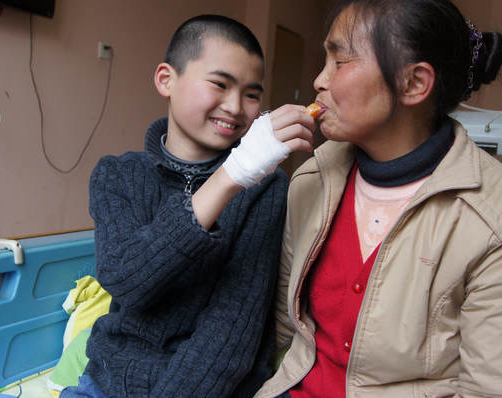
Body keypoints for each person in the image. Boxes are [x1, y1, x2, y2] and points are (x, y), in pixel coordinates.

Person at [255, 0, 502, 397]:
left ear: (414, 84)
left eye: (340, 61)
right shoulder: (311, 179)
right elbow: (280, 329)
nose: (319, 80)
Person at [60, 14, 315, 398]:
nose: (235, 106)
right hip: (108, 382)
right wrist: (232, 175)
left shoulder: (267, 188)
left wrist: (242, 176)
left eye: (251, 93)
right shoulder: (118, 175)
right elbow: (128, 283)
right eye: (219, 84)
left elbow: (231, 332)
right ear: (167, 80)